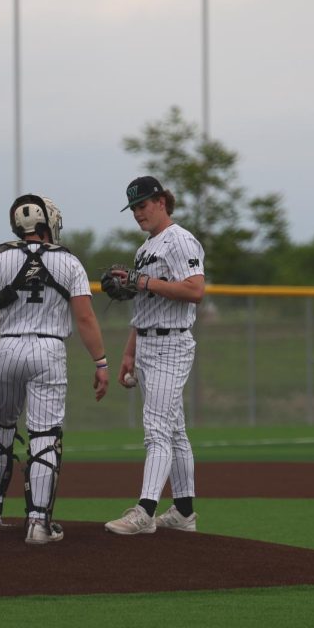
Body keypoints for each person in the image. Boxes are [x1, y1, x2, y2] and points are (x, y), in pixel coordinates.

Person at [0, 194, 109, 545]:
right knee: (45, 435)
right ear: (46, 226)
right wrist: (101, 362)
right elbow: (86, 317)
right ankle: (38, 524)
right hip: (49, 349)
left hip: (8, 347)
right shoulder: (70, 263)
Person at [104, 176, 206, 536]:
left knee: (157, 430)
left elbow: (195, 290)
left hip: (171, 344)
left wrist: (144, 282)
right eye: (133, 207)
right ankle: (183, 511)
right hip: (147, 342)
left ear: (162, 201)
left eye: (143, 205)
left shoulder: (179, 239)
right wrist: (129, 352)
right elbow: (143, 307)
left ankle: (144, 512)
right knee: (175, 431)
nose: (137, 213)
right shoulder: (146, 247)